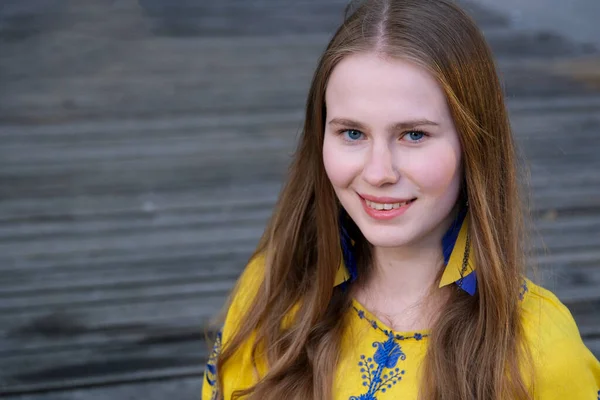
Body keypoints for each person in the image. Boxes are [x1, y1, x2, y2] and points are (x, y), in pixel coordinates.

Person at [201, 0, 600, 399]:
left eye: (414, 135)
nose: (378, 173)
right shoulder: (269, 293)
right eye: (352, 133)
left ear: (473, 145)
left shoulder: (540, 351)